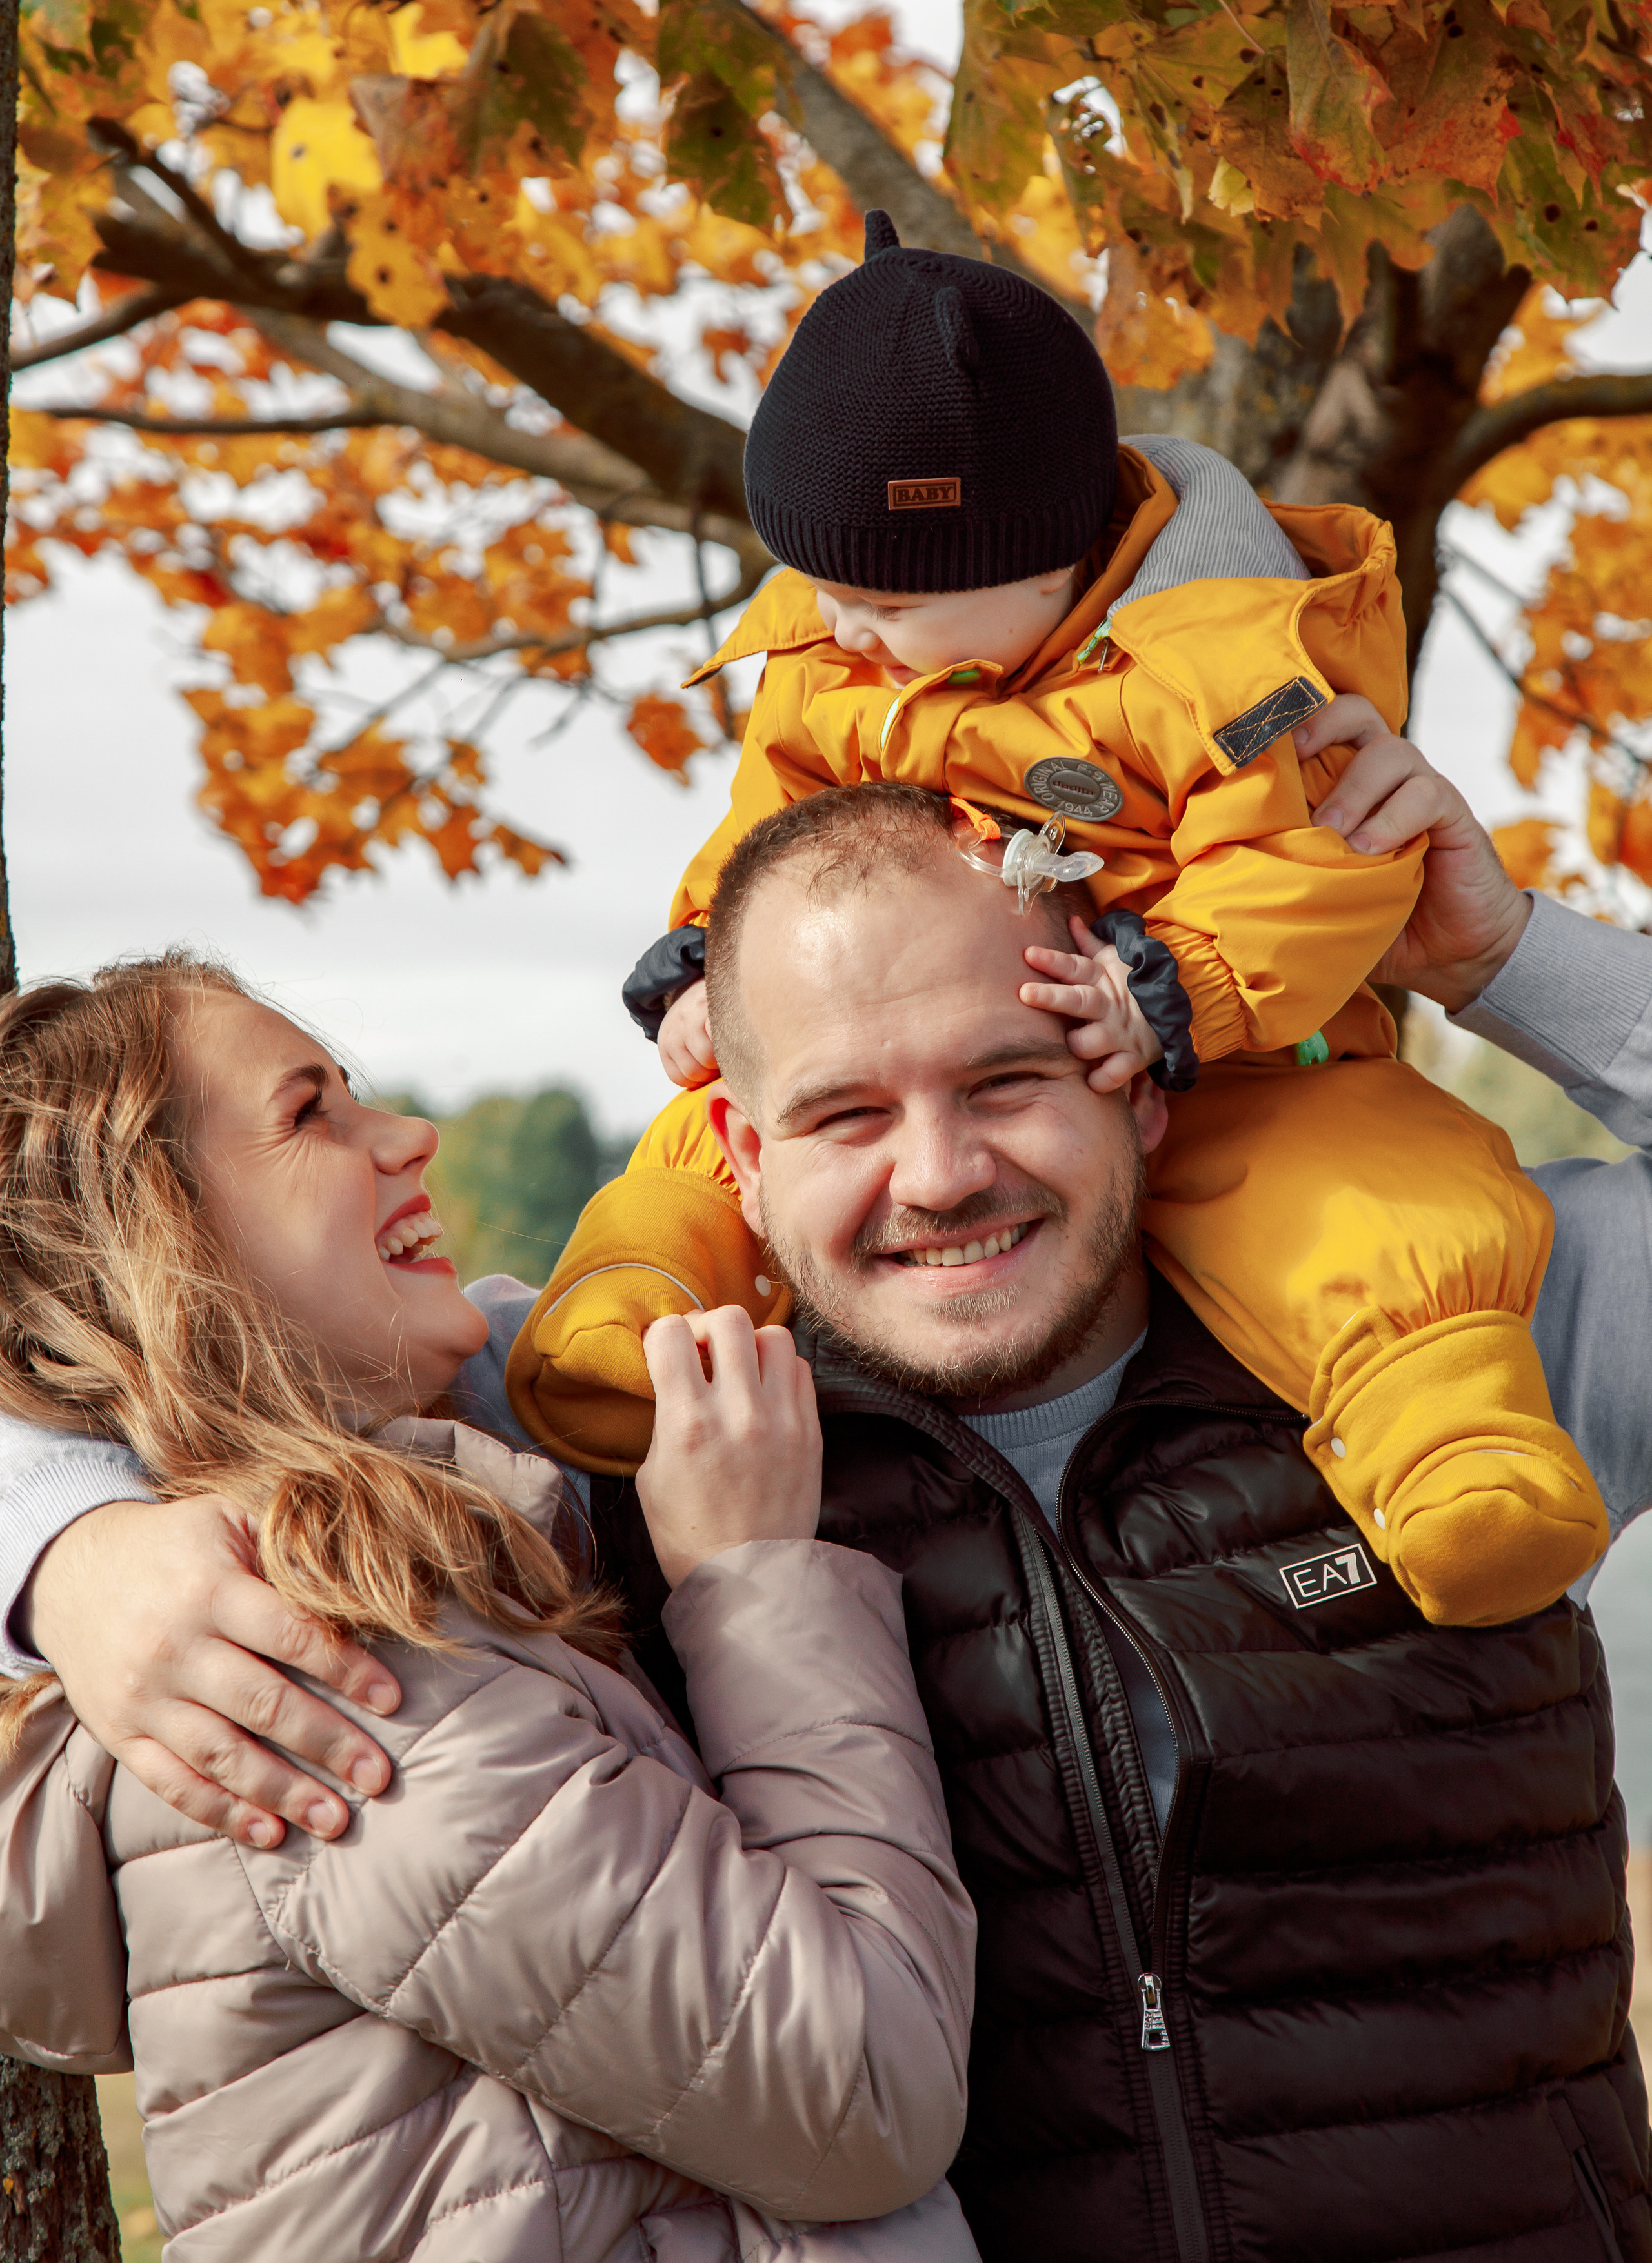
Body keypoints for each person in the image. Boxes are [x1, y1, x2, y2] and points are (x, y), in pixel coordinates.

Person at [3, 796, 1647, 2262]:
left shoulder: (1473, 1348)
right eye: (846, 1115)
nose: (937, 1175)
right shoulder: (621, 1436)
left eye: (1009, 1076)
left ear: (1141, 1078)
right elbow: (168, 1353)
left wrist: (1504, 955)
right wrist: (70, 1553)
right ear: (738, 1147)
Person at [506, 213, 1603, 1632]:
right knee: (729, 1122)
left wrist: (1188, 993)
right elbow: (765, 837)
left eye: (883, 602)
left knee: (1366, 1196)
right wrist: (712, 965)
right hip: (961, 1022)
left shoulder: (1224, 655)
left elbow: (1306, 863)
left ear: (1040, 562)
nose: (839, 632)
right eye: (826, 593)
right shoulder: (841, 655)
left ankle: (1450, 1437)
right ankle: (645, 1309)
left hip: (1244, 1057)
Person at [0, 954, 980, 2262]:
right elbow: (864, 2087)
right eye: (311, 1114)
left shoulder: (415, 1560)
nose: (411, 1137)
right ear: (164, 1246)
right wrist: (754, 1584)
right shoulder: (333, 1667)